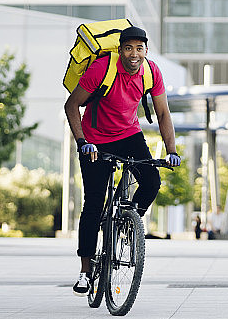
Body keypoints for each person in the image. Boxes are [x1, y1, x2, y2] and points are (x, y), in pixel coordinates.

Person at [64, 26, 180, 296]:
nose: (134, 54)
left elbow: (163, 113)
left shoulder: (151, 72)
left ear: (146, 51)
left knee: (151, 181)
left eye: (140, 48)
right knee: (93, 203)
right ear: (120, 50)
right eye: (128, 48)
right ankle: (85, 271)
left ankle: (128, 223)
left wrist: (171, 150)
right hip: (95, 137)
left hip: (129, 134)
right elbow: (72, 106)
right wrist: (83, 143)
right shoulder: (102, 69)